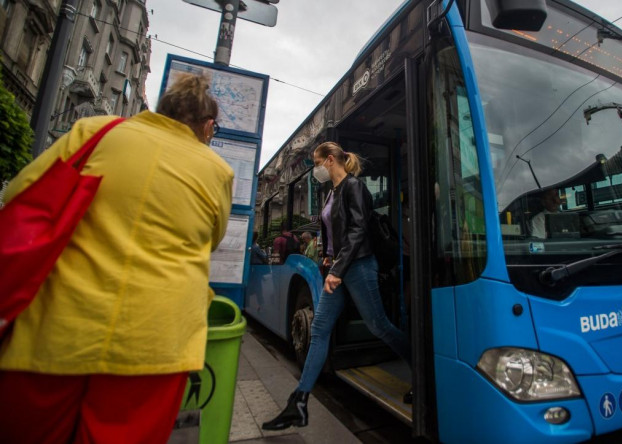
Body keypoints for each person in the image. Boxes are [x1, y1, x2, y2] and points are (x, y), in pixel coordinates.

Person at [0, 73, 234, 444]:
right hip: (156, 344)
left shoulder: (95, 132)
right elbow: (212, 239)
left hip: (54, 331)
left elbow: (19, 194)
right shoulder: (217, 169)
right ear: (207, 126)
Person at [262, 141, 411, 431]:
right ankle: (299, 403)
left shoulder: (354, 187)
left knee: (379, 325)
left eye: (316, 163)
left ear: (330, 160)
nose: (314, 170)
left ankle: (421, 369)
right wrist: (329, 260)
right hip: (339, 270)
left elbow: (358, 231)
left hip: (359, 267)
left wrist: (338, 268)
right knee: (319, 330)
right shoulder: (331, 192)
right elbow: (335, 236)